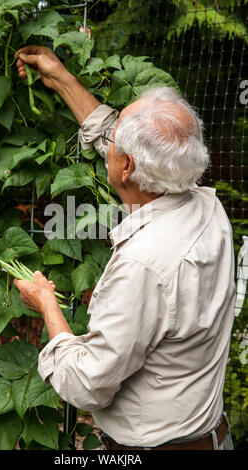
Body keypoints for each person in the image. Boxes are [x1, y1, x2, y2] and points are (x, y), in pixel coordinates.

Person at [14, 46, 236, 450]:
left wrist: (46, 303)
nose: (109, 141)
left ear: (128, 167)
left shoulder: (143, 264)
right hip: (211, 438)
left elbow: (86, 385)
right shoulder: (210, 206)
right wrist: (60, 76)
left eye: (116, 142)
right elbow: (128, 144)